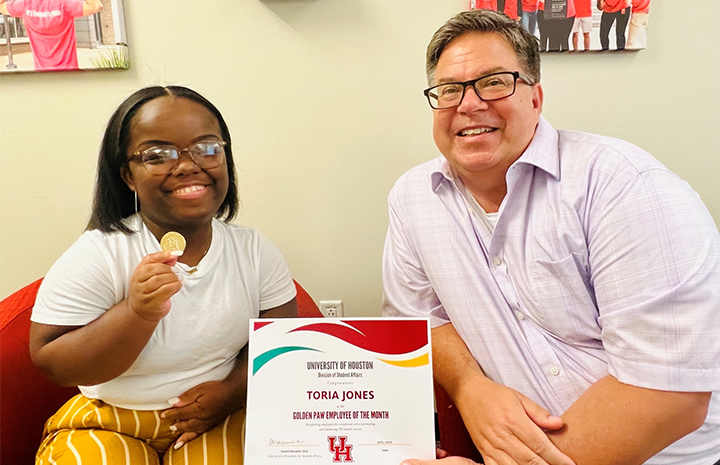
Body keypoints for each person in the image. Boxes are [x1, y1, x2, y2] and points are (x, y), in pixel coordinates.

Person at [383, 9, 720, 465]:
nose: (468, 104)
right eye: (449, 90)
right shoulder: (412, 198)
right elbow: (421, 319)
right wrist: (469, 387)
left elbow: (668, 394)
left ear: (536, 97)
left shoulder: (624, 186)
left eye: (495, 82)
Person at [30, 86, 298, 464]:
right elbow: (52, 362)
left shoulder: (253, 250)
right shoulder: (101, 252)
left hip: (215, 417)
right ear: (128, 175)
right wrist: (137, 313)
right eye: (158, 155)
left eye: (207, 148)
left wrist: (232, 393)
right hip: (109, 419)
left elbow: (279, 345)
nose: (188, 165)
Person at [0, 0, 103, 70]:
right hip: (70, 76)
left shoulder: (25, 5)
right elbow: (96, 6)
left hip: (43, 77)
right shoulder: (64, 4)